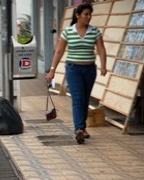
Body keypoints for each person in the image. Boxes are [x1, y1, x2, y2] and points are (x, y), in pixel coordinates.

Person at [45, 2, 107, 144]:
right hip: (73, 70)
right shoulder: (68, 32)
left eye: (90, 14)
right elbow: (59, 51)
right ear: (78, 15)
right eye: (86, 14)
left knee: (85, 99)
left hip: (90, 70)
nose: (89, 17)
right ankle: (78, 128)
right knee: (78, 98)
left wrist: (103, 65)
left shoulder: (95, 31)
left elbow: (101, 49)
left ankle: (82, 128)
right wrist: (52, 70)